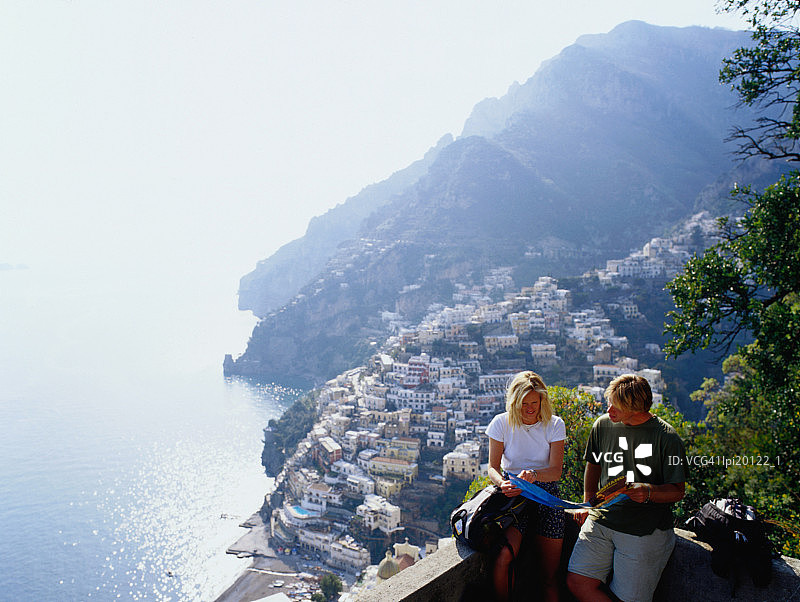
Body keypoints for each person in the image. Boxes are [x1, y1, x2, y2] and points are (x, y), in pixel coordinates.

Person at [566, 374, 687, 602]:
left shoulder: (667, 438)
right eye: (609, 402)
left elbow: (677, 491)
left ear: (635, 408)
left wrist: (648, 491)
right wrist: (588, 501)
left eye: (616, 406)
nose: (609, 409)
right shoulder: (603, 425)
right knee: (577, 582)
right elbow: (593, 464)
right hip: (601, 519)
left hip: (643, 528)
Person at [486, 371, 566, 602]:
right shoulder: (501, 423)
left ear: (542, 400)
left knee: (548, 575)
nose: (530, 408)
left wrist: (533, 475)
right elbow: (492, 467)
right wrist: (503, 484)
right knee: (504, 556)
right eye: (524, 404)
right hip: (514, 496)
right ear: (514, 402)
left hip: (546, 495)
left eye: (534, 402)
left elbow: (555, 471)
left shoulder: (554, 425)